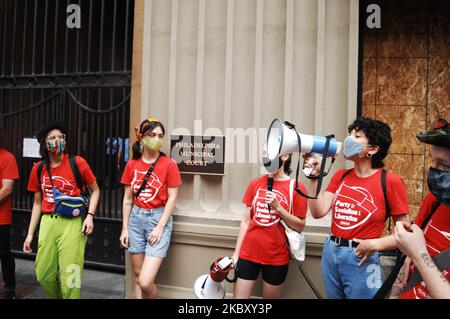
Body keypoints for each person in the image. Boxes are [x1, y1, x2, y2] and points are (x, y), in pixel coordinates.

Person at [303, 117, 410, 299]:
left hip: (362, 257)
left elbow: (406, 233)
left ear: (374, 149)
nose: (349, 139)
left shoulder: (390, 181)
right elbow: (318, 211)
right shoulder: (341, 176)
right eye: (350, 134)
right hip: (331, 252)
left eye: (357, 136)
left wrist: (375, 244)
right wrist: (314, 178)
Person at [23, 121, 100, 299]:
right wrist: (29, 234)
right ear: (45, 144)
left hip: (72, 224)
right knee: (43, 274)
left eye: (60, 137)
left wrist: (90, 216)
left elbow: (95, 190)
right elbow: (37, 203)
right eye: (52, 138)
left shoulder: (77, 163)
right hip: (48, 222)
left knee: (71, 277)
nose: (57, 140)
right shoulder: (39, 168)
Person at [119, 118, 181, 299]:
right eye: (152, 135)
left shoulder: (169, 164)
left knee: (146, 281)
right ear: (142, 138)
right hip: (136, 220)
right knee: (138, 277)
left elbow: (172, 198)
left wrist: (160, 226)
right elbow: (127, 199)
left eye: (160, 135)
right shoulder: (131, 165)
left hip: (158, 218)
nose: (157, 139)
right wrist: (125, 228)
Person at [232, 153, 308, 299]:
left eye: (271, 153)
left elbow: (300, 226)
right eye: (264, 153)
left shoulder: (297, 187)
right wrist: (236, 255)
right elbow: (246, 222)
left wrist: (278, 208)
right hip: (248, 253)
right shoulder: (255, 184)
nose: (266, 157)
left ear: (285, 156)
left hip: (277, 257)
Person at [390, 117, 450, 299]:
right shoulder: (435, 200)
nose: (433, 171)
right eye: (433, 162)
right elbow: (408, 264)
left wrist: (418, 253)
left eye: (444, 165)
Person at [0, 121, 19, 299]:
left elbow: (6, 189)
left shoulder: (7, 157)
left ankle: (9, 287)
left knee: (3, 252)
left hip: (1, 218)